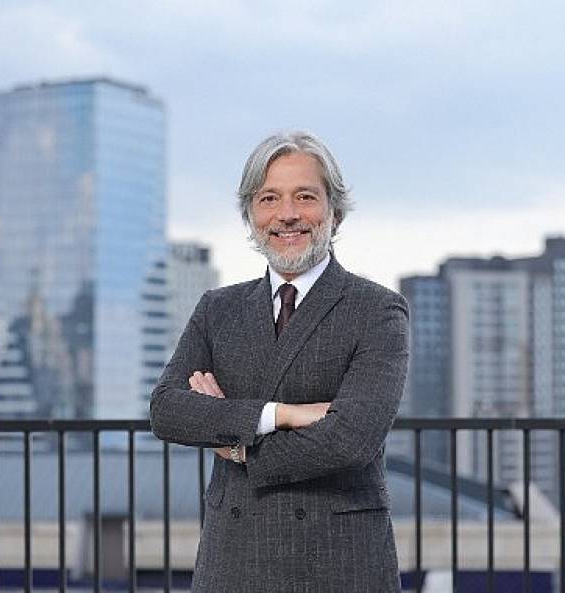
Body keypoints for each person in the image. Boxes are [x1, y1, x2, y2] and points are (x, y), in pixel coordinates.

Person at [150, 130, 408, 593]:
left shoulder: (377, 309)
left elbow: (351, 440)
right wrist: (281, 415)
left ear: (334, 210)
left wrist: (234, 443)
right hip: (233, 561)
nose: (287, 214)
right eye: (269, 198)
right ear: (251, 215)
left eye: (304, 196)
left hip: (340, 561)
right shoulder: (218, 309)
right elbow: (167, 410)